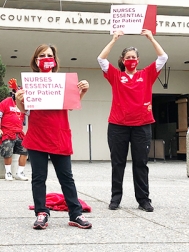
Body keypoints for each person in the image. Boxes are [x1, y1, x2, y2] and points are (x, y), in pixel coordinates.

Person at [15, 44, 92, 230]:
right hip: (37, 135)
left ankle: (75, 214)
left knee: (66, 177)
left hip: (59, 134)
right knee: (38, 178)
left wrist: (83, 91)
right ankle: (41, 213)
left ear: (55, 60)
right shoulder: (30, 83)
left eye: (50, 55)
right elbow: (24, 110)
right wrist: (19, 99)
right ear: (36, 60)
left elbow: (71, 106)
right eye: (42, 55)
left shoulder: (64, 82)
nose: (46, 58)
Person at [97, 29, 168, 212]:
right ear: (122, 60)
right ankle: (115, 198)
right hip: (117, 126)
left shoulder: (146, 74)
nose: (131, 60)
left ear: (138, 60)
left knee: (140, 164)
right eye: (127, 57)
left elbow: (163, 57)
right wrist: (114, 40)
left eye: (133, 57)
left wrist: (151, 38)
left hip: (142, 126)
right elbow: (101, 59)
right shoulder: (115, 75)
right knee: (117, 163)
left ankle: (143, 199)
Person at [0, 79, 28, 181]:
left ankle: (19, 172)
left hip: (19, 132)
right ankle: (8, 172)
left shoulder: (23, 103)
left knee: (25, 150)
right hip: (7, 132)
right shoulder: (6, 102)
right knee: (8, 151)